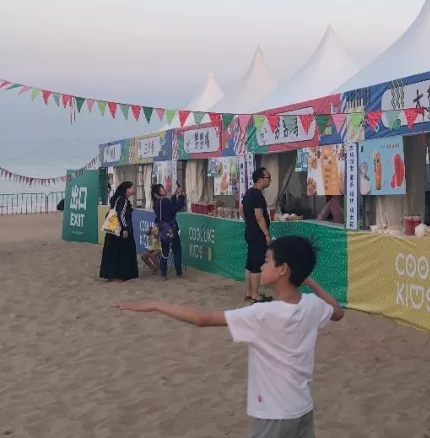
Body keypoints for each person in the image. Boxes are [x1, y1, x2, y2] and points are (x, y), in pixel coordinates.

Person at [116, 236, 345, 438]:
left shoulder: (263, 313)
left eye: (267, 261)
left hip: (274, 413)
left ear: (283, 269)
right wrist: (309, 281)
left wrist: (156, 304)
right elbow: (338, 312)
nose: (262, 266)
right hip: (303, 408)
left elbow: (204, 319)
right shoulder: (312, 305)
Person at [243, 167, 273, 303]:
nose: (270, 181)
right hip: (257, 235)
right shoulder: (257, 195)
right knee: (256, 265)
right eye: (268, 178)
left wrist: (249, 222)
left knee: (249, 264)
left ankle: (249, 292)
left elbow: (241, 209)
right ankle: (255, 295)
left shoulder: (249, 192)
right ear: (260, 179)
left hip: (250, 232)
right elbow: (259, 216)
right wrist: (266, 234)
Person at [99, 182, 138, 282]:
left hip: (112, 230)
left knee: (112, 253)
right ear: (127, 189)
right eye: (132, 187)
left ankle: (111, 275)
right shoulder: (123, 200)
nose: (134, 188)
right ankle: (120, 275)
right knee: (124, 252)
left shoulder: (116, 198)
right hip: (119, 230)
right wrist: (125, 228)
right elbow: (121, 214)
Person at [153, 183, 187, 279]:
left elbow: (170, 208)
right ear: (159, 192)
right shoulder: (165, 201)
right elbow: (176, 207)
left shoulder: (156, 203)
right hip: (171, 229)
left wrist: (174, 195)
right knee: (177, 251)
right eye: (162, 188)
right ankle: (179, 273)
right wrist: (181, 196)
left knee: (164, 252)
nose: (164, 189)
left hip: (162, 230)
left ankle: (163, 274)